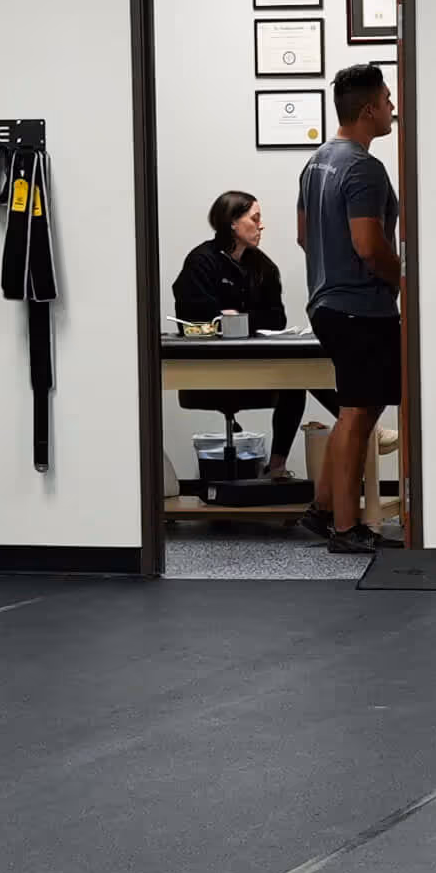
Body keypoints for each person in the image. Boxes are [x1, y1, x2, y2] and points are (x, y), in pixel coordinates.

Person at [296, 63, 401, 554]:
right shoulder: (363, 168)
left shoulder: (316, 162)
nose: (392, 108)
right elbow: (367, 243)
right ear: (367, 110)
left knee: (360, 407)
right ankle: (345, 528)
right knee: (358, 413)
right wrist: (402, 278)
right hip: (360, 307)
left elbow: (302, 236)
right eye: (386, 100)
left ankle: (321, 508)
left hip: (328, 301)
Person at [171, 189, 312, 491]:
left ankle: (276, 467)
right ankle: (364, 425)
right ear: (232, 222)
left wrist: (237, 318)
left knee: (301, 377)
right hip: (209, 372)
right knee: (308, 377)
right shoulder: (201, 262)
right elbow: (193, 314)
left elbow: (277, 320)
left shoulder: (264, 267)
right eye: (255, 218)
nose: (262, 226)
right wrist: (237, 319)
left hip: (256, 370)